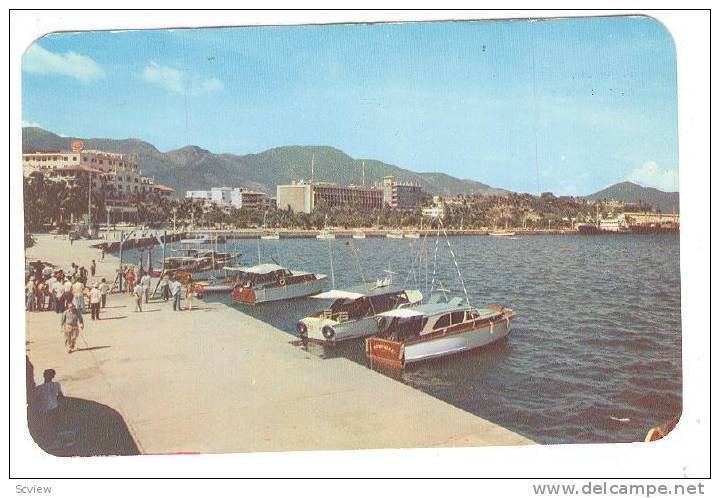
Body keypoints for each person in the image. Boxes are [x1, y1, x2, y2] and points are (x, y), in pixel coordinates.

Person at [32, 369, 64, 446]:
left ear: (44, 376)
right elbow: (61, 397)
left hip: (46, 410)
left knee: (48, 426)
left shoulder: (39, 388)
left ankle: (50, 442)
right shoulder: (56, 385)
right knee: (53, 426)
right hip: (53, 408)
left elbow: (34, 400)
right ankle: (54, 442)